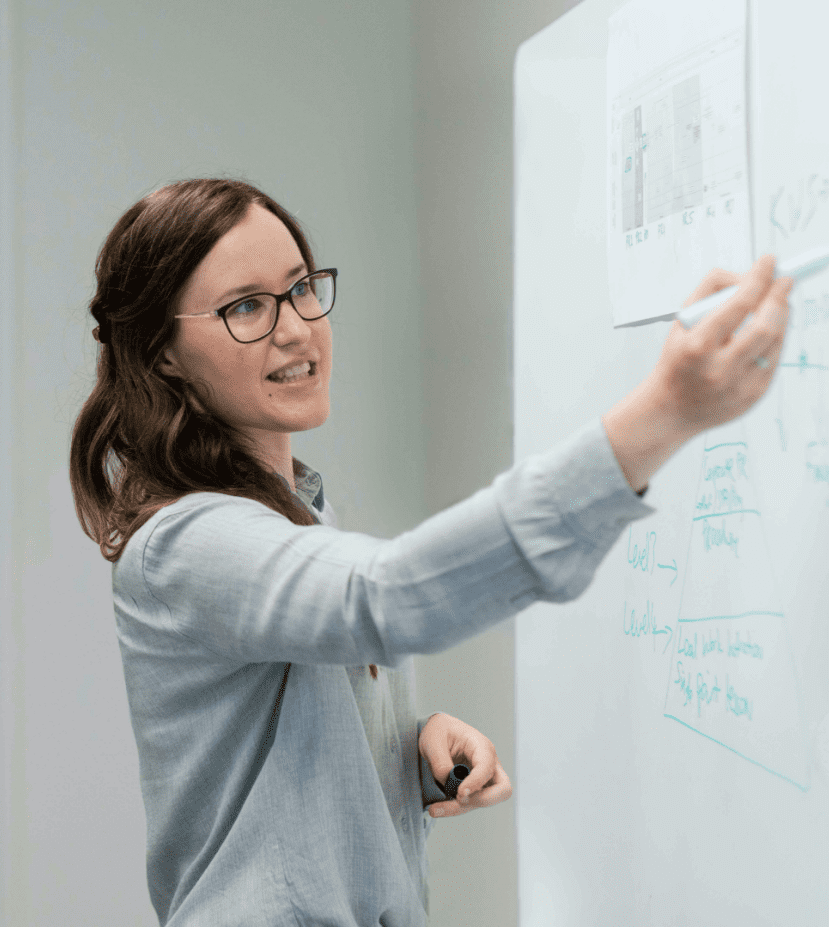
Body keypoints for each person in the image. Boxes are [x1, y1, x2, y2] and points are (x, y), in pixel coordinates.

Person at [69, 178, 793, 927]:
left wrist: (398, 748)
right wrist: (661, 416)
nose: (295, 330)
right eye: (246, 307)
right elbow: (383, 599)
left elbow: (270, 765)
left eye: (300, 289)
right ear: (163, 356)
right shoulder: (187, 544)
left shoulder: (299, 516)